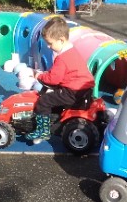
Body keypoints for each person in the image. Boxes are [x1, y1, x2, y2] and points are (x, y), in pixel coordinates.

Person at [25, 16, 95, 144]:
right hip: (84, 90)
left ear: (61, 40)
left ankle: (43, 130)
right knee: (55, 95)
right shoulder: (72, 51)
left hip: (72, 92)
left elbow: (53, 79)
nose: (48, 46)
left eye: (50, 43)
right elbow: (62, 74)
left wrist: (39, 76)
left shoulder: (62, 58)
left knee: (44, 101)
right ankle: (53, 119)